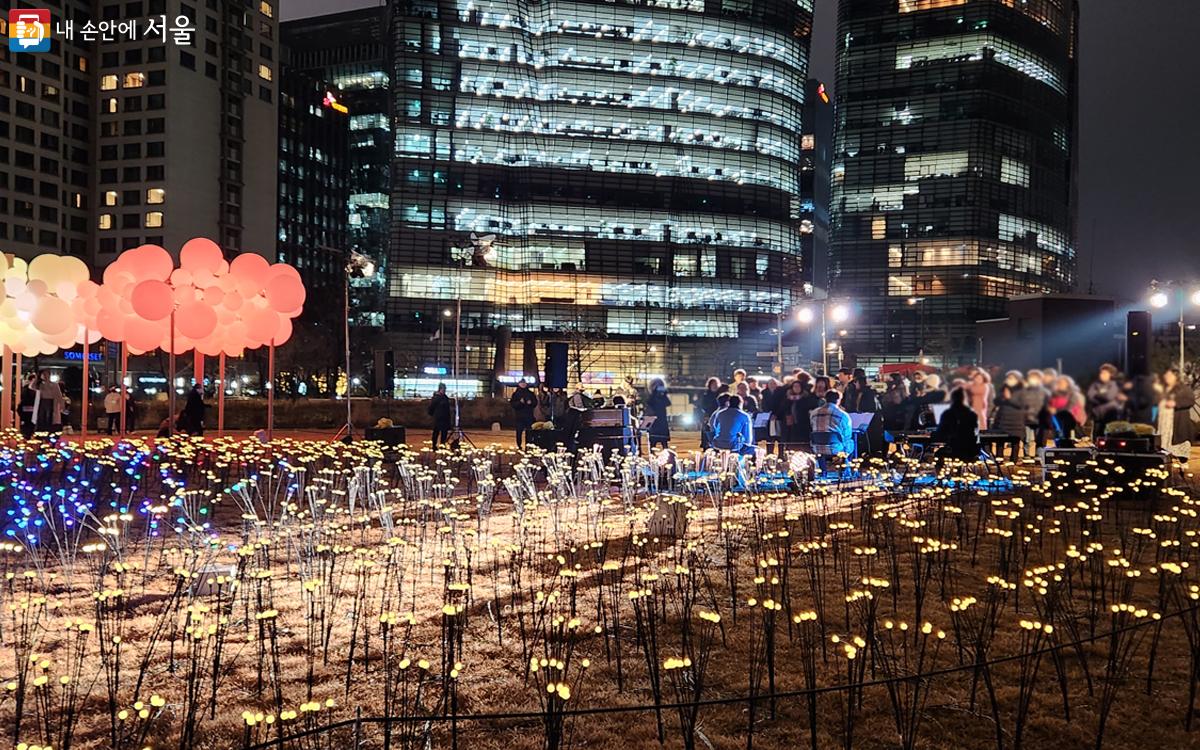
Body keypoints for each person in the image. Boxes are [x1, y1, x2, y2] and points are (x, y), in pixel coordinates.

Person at [809, 390, 854, 469]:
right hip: (835, 447)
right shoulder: (843, 415)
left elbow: (812, 427)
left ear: (825, 399)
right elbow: (847, 435)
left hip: (817, 447)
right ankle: (845, 470)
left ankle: (823, 470)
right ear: (838, 400)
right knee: (850, 442)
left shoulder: (814, 413)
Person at [933, 387, 980, 461]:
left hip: (954, 449)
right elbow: (975, 433)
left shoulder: (947, 414)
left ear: (952, 399)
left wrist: (933, 434)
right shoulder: (972, 414)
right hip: (971, 450)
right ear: (965, 399)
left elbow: (940, 433)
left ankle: (944, 472)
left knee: (938, 454)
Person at [992, 371, 1029, 459]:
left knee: (1015, 441)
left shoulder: (1022, 390)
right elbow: (996, 401)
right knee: (1000, 440)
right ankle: (999, 460)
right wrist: (1002, 397)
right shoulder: (1004, 389)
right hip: (1003, 418)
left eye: (1012, 378)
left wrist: (1009, 398)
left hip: (1016, 420)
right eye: (1008, 378)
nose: (1009, 380)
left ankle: (1014, 460)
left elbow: (1022, 404)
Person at [1161, 367, 1195, 459]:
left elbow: (1190, 401)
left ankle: (1181, 468)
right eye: (1165, 375)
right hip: (1163, 425)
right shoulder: (1163, 389)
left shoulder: (1184, 389)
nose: (1166, 377)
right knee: (1162, 450)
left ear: (1175, 377)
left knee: (1179, 451)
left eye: (1168, 375)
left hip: (1178, 423)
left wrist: (1176, 403)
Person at [1086, 364, 1122, 438]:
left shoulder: (1113, 385)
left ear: (1111, 375)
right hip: (1097, 417)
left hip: (1110, 417)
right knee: (1097, 438)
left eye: (1105, 373)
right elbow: (1090, 396)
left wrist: (1097, 395)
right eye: (1101, 373)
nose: (1102, 375)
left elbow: (1109, 397)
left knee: (1109, 438)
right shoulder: (1095, 385)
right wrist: (1102, 396)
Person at [509, 379, 538, 449]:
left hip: (529, 416)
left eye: (524, 383)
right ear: (519, 384)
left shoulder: (530, 393)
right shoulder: (515, 394)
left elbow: (535, 403)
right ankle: (519, 445)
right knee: (519, 432)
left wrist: (531, 403)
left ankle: (529, 445)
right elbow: (513, 404)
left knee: (529, 432)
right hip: (519, 417)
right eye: (521, 383)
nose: (523, 384)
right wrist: (520, 402)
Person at [644, 378, 671, 449]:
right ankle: (652, 457)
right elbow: (649, 402)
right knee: (653, 443)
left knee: (664, 442)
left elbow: (668, 403)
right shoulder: (652, 397)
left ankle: (667, 457)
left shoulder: (662, 397)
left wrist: (665, 394)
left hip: (662, 420)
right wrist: (654, 392)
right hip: (655, 420)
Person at [698, 378, 723, 449]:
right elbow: (702, 405)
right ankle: (706, 444)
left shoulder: (720, 395)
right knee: (706, 429)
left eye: (716, 384)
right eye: (713, 384)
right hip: (708, 414)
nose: (715, 386)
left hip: (718, 414)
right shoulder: (706, 394)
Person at [428, 382, 453, 449]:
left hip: (444, 418)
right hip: (438, 418)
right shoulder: (436, 397)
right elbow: (431, 407)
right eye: (444, 389)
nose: (445, 390)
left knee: (444, 433)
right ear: (440, 389)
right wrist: (433, 414)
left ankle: (442, 445)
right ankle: (434, 445)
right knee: (436, 432)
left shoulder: (445, 397)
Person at [18, 373, 38, 438]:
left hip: (28, 413)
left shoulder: (25, 389)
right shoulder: (26, 390)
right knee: (28, 429)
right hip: (28, 413)